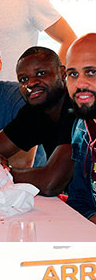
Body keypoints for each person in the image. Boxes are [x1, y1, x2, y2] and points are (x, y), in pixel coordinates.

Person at [0, 46, 75, 195]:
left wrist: (2, 173)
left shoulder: (76, 109)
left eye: (40, 73)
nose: (31, 84)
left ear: (62, 73)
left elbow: (51, 183)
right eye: (23, 79)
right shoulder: (35, 112)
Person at [64, 34, 96, 223]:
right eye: (73, 74)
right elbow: (79, 201)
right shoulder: (82, 128)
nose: (80, 84)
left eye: (91, 72)